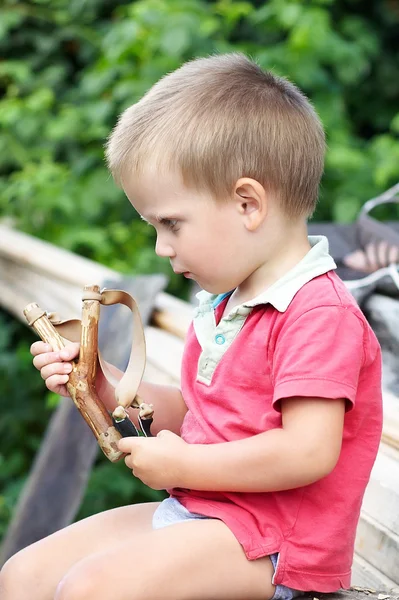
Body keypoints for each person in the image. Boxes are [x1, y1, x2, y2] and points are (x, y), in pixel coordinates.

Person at [0, 53, 383, 600]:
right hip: (203, 513)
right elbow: (202, 416)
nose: (161, 247)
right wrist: (103, 384)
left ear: (248, 203)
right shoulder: (227, 303)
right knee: (23, 576)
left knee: (92, 590)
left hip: (277, 547)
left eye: (171, 223)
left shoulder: (317, 314)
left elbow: (307, 451)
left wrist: (186, 463)